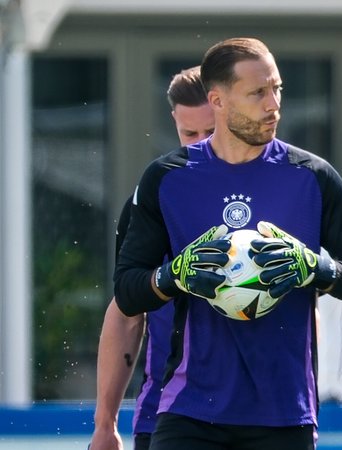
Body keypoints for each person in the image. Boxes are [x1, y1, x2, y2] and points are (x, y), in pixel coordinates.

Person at [113, 37, 342, 450]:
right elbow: (127, 292)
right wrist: (174, 276)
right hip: (189, 412)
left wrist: (316, 268)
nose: (273, 104)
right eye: (258, 92)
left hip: (283, 415)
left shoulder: (312, 175)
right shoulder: (167, 179)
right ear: (218, 100)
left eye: (277, 89)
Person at [89, 66, 214, 450]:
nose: (199, 145)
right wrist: (105, 424)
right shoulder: (153, 198)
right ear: (174, 119)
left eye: (210, 133)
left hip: (261, 419)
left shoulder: (275, 190)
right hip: (164, 416)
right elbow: (127, 310)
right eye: (188, 133)